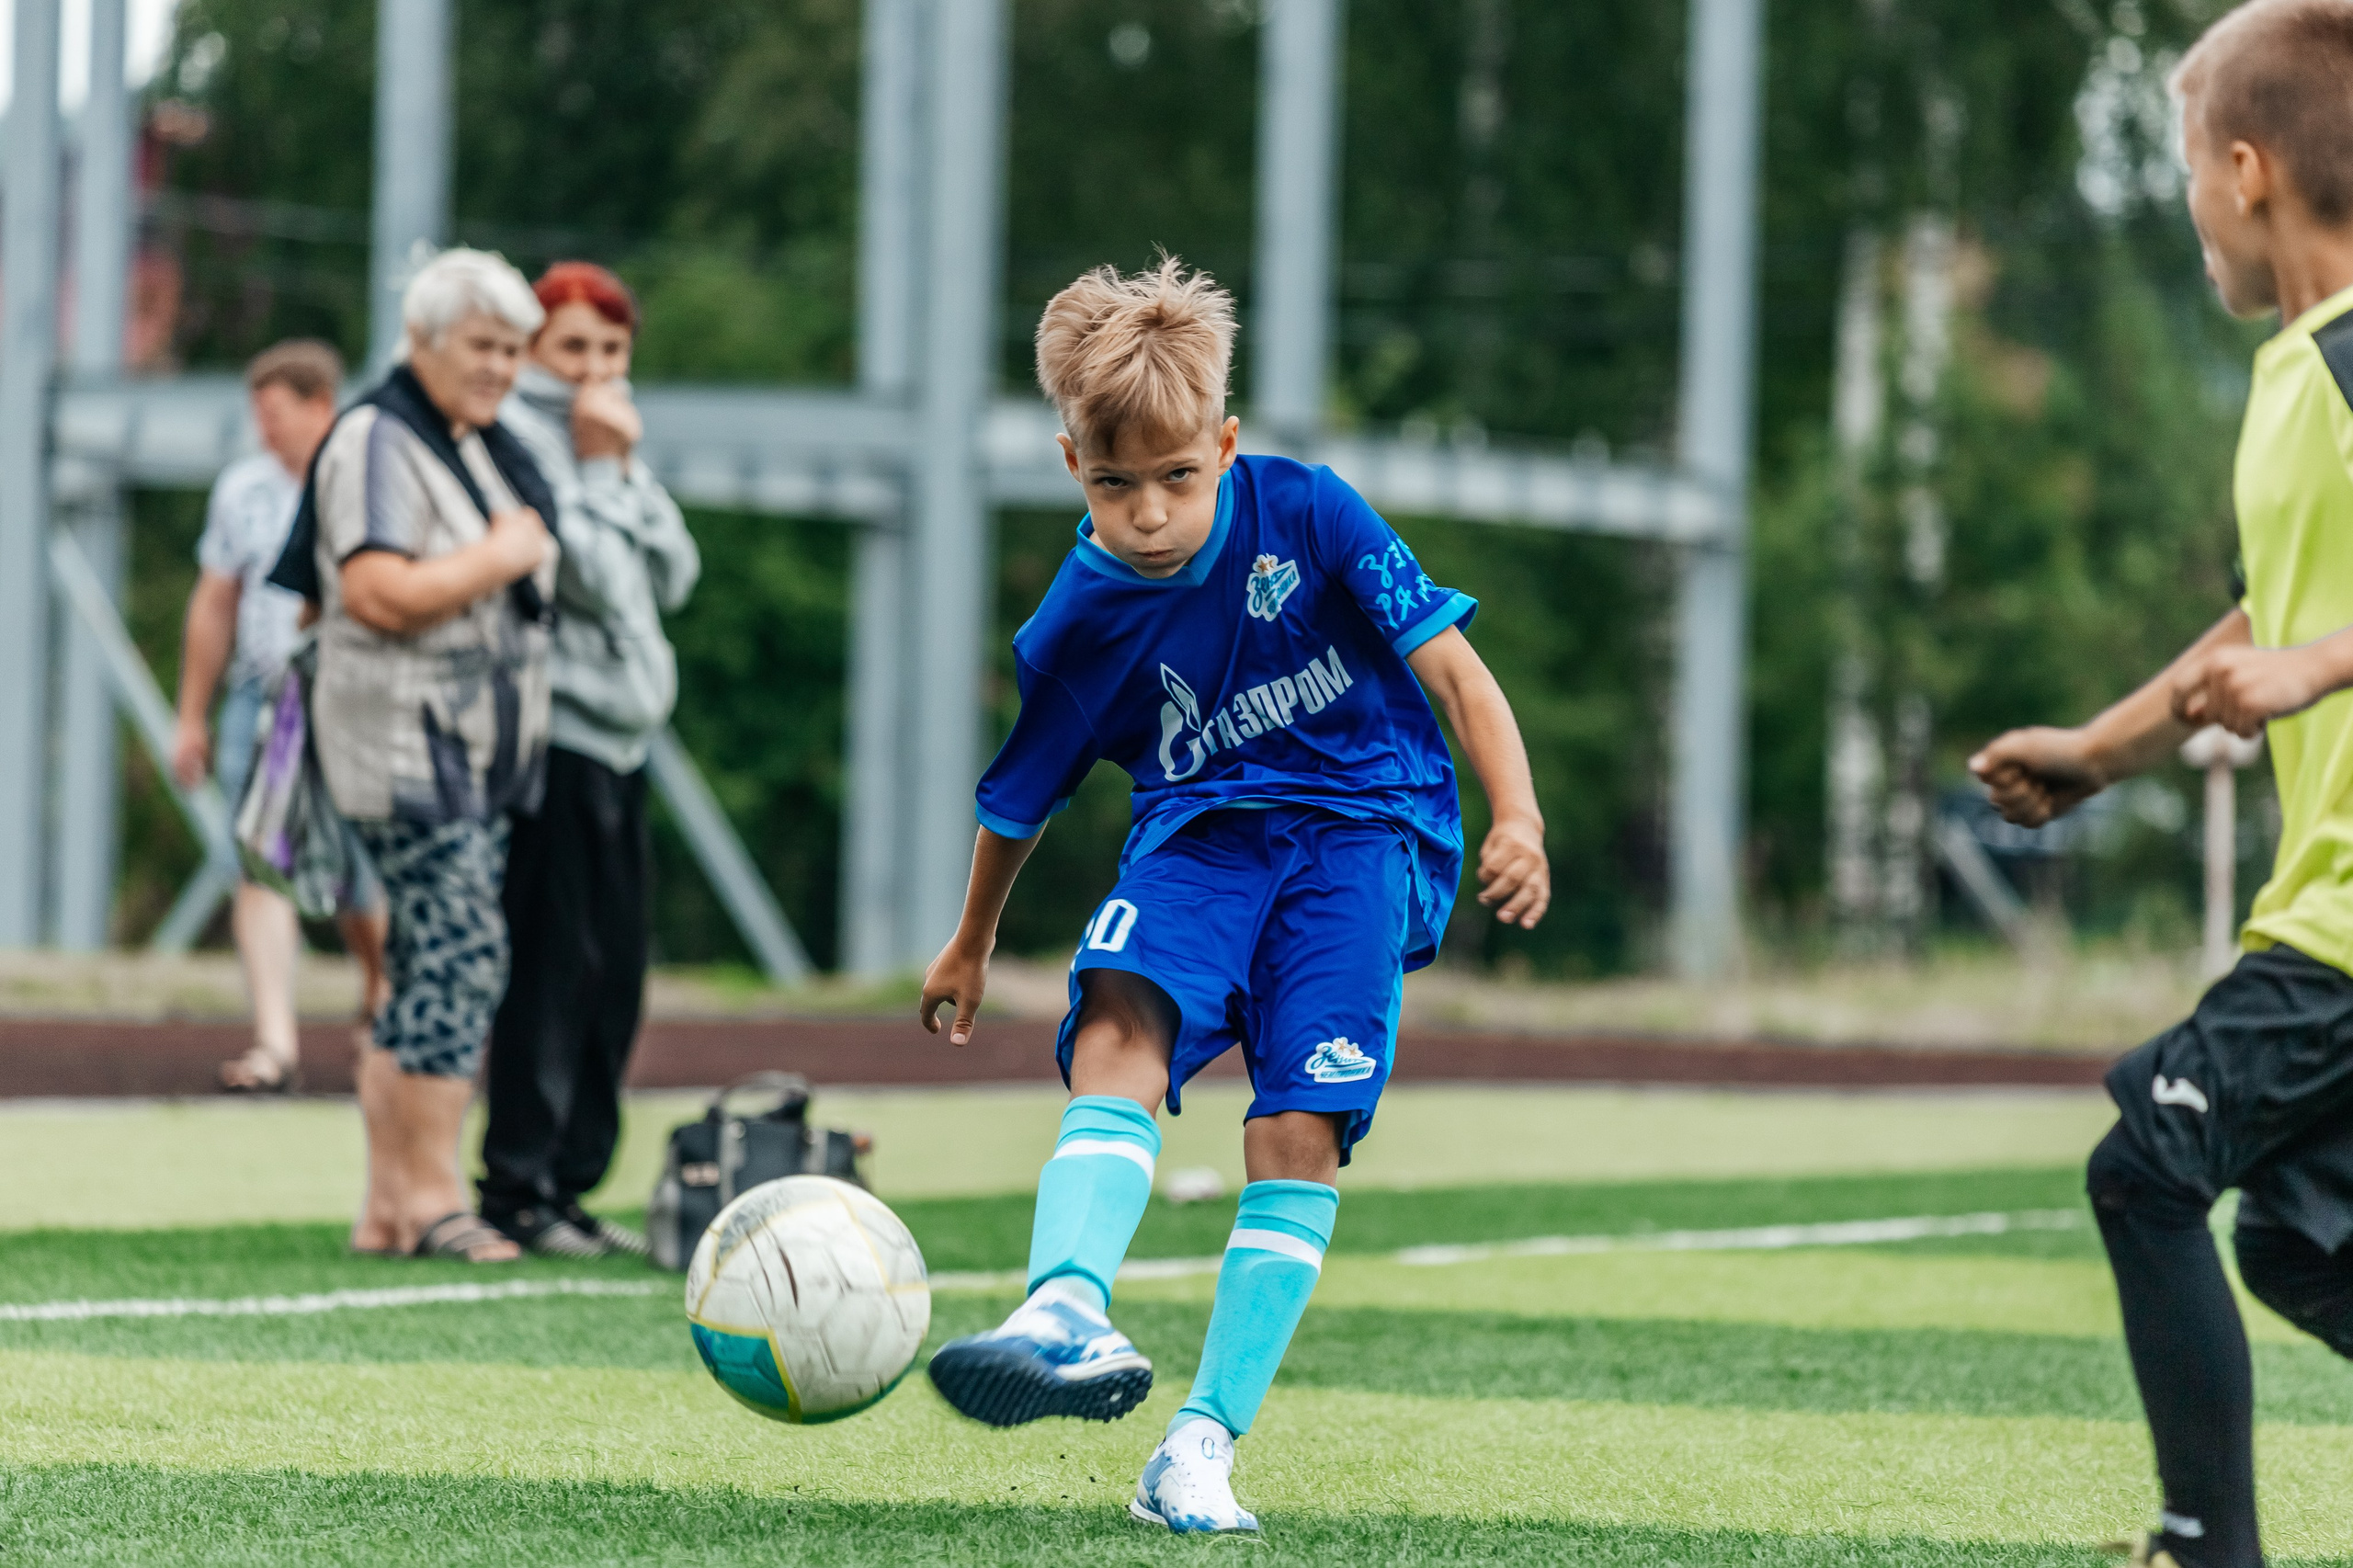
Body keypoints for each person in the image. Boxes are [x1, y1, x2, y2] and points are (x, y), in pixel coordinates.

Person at [916, 259, 1550, 1534]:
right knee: (1117, 1025)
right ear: (1068, 464)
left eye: (1177, 479)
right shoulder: (1075, 626)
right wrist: (970, 941)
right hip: (1198, 840)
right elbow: (1015, 804)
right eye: (1113, 486)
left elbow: (1460, 679)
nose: (1148, 514)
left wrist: (1519, 817)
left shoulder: (1312, 512)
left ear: (1226, 444)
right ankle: (1065, 1305)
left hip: (1364, 840)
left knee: (1295, 1137)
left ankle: (1199, 1444)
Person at [1972, 5, 2353, 1562]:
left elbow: (2296, 644)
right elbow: (2271, 608)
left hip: (2343, 936)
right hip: (2325, 911)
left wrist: (2317, 670)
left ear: (2248, 171)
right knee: (2298, 1239)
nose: (2191, 204)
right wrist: (2102, 750)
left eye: (2193, 168)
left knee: (2148, 1160)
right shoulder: (2293, 375)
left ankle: (2208, 1546)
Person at [270, 248, 558, 1263]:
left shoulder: (472, 437)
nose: (501, 367)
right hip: (406, 749)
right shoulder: (377, 438)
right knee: (457, 953)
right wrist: (500, 556)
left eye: (514, 350)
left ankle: (389, 1203)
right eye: (482, 345)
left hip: (469, 754)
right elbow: (378, 590)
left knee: (428, 963)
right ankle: (431, 1194)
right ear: (423, 340)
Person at [478, 262, 699, 1257]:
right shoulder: (525, 443)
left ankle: (570, 1181)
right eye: (572, 348)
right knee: (552, 963)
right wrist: (610, 475)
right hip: (555, 738)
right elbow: (604, 583)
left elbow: (677, 573)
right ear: (530, 353)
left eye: (611, 350)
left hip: (624, 740)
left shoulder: (609, 442)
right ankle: (516, 1185)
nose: (594, 368)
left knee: (612, 971)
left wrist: (616, 476)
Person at [170, 340, 388, 1092]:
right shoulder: (243, 492)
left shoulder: (367, 481)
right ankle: (275, 1045)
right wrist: (190, 714)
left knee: (358, 881)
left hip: (349, 702)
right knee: (260, 862)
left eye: (275, 414)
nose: (263, 430)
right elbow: (215, 599)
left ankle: (377, 994)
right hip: (265, 701)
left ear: (319, 406)